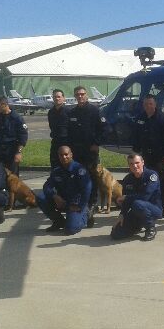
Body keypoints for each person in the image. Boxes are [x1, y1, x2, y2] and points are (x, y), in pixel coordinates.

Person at [67, 86, 105, 227]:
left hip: (90, 152)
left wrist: (97, 143)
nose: (80, 96)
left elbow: (104, 129)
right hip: (77, 153)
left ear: (86, 95)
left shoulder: (95, 111)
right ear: (75, 96)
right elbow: (69, 133)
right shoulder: (72, 112)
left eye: (82, 94)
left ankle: (92, 204)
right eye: (78, 94)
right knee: (79, 178)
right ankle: (81, 204)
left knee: (93, 179)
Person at [132, 94, 164, 214]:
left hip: (159, 157)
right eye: (145, 104)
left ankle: (163, 206)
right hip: (145, 156)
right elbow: (136, 135)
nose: (148, 106)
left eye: (150, 103)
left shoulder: (162, 119)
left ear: (155, 104)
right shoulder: (140, 118)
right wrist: (135, 151)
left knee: (161, 182)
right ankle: (148, 204)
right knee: (145, 181)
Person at [36, 145, 92, 235]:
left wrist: (80, 206)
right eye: (61, 155)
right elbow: (47, 186)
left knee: (70, 230)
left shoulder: (79, 170)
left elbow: (87, 189)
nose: (64, 157)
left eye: (66, 154)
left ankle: (86, 214)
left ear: (71, 155)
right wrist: (54, 196)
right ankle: (59, 221)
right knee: (40, 197)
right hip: (62, 201)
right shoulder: (57, 171)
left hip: (75, 203)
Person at [111, 153, 162, 241]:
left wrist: (126, 197)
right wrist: (122, 214)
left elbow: (145, 196)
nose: (134, 166)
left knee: (137, 203)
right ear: (129, 166)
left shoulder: (152, 175)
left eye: (137, 163)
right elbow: (125, 201)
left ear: (143, 162)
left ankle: (150, 228)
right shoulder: (127, 179)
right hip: (136, 210)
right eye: (131, 164)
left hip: (154, 209)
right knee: (116, 234)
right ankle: (136, 227)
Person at [0, 96, 28, 176]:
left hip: (11, 152)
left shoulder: (16, 118)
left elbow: (22, 137)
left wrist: (18, 153)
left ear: (5, 105)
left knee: (12, 177)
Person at [48, 89, 70, 169]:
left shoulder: (69, 111)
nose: (57, 98)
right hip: (55, 142)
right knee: (54, 165)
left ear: (63, 98)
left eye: (59, 97)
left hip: (66, 142)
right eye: (55, 97)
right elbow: (51, 126)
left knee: (66, 166)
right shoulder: (51, 112)